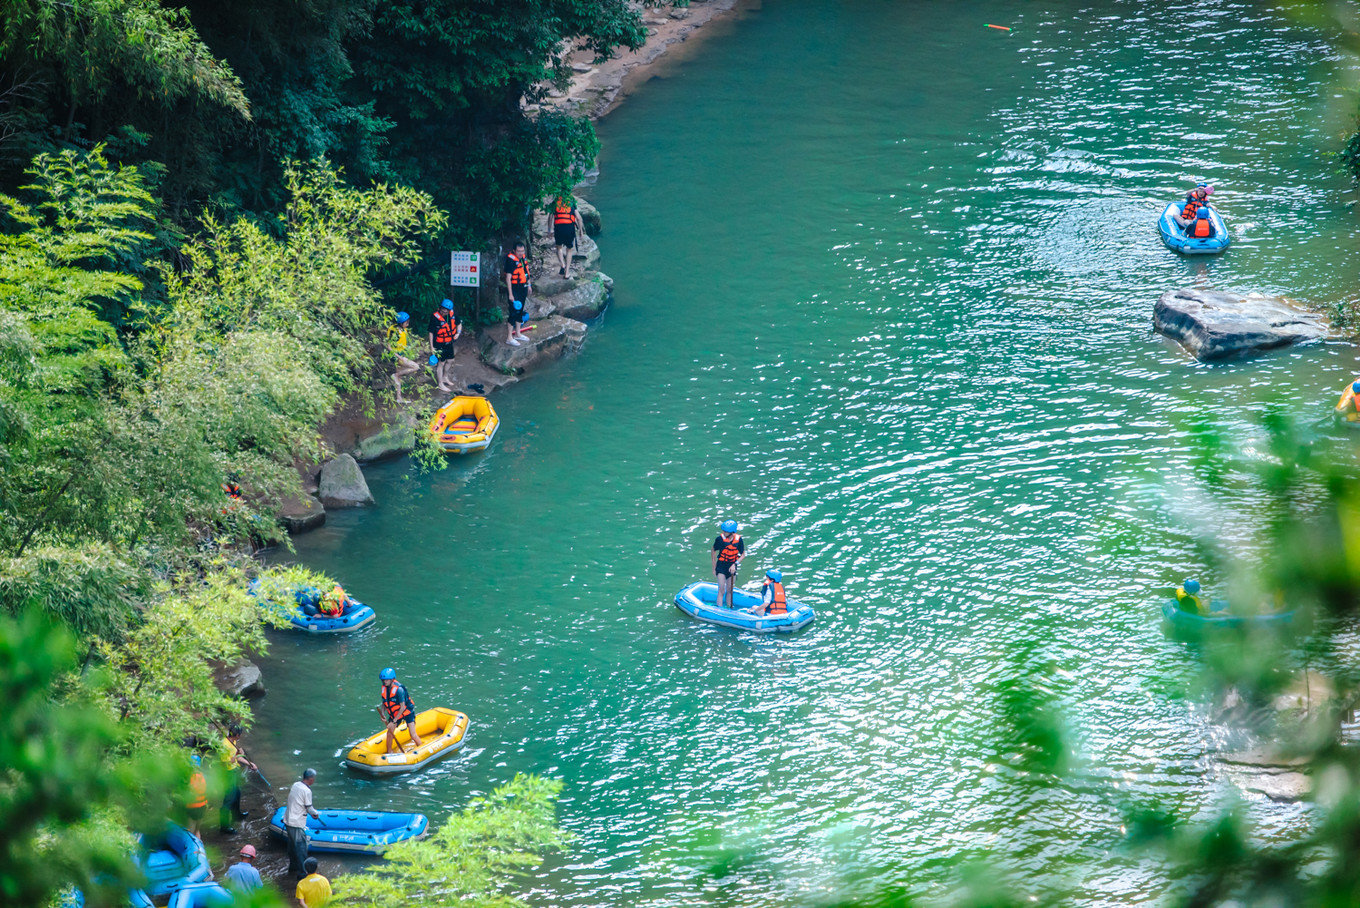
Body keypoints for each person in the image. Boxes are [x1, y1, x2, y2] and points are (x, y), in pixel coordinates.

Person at [219, 724, 256, 835]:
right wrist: (238, 754)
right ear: (238, 735)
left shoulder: (232, 741)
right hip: (228, 773)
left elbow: (237, 758)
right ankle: (224, 826)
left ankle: (236, 815)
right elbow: (226, 762)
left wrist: (249, 764)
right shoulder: (226, 745)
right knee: (229, 799)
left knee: (237, 793)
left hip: (233, 771)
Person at [285, 768, 320, 878]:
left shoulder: (296, 784)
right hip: (296, 823)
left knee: (292, 846)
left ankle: (293, 867)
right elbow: (309, 807)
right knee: (301, 849)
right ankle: (302, 873)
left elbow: (300, 803)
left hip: (288, 820)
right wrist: (315, 814)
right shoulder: (307, 791)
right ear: (311, 779)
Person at [379, 667, 423, 754]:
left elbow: (402, 707)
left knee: (413, 735)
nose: (385, 682)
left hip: (407, 712)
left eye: (387, 680)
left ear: (392, 679)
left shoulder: (399, 690)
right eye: (383, 680)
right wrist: (383, 714)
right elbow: (384, 702)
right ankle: (389, 752)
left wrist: (394, 721)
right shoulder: (384, 688)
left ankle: (421, 749)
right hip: (395, 713)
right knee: (389, 733)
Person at [426, 300, 461, 393]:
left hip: (449, 342)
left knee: (450, 360)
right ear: (440, 307)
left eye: (446, 310)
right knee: (441, 363)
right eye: (443, 309)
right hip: (439, 344)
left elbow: (459, 323)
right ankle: (440, 384)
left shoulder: (452, 315)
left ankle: (445, 377)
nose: (444, 312)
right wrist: (432, 347)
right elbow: (431, 332)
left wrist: (458, 332)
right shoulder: (435, 317)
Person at [711, 520, 745, 610]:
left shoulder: (739, 540)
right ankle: (719, 609)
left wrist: (735, 564)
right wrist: (714, 568)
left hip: (732, 568)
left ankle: (729, 609)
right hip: (721, 567)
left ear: (731, 532)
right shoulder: (719, 539)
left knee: (730, 590)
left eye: (725, 531)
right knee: (721, 589)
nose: (723, 532)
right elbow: (713, 550)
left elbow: (743, 555)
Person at [503, 241, 531, 346]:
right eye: (519, 251)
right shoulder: (510, 261)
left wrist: (529, 285)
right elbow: (508, 278)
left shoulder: (523, 258)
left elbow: (526, 272)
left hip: (523, 288)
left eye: (522, 251)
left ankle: (518, 334)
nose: (521, 253)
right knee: (513, 312)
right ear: (514, 251)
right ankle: (509, 338)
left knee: (520, 311)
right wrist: (510, 294)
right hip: (514, 289)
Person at [388, 311, 420, 402]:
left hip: (402, 354)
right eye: (406, 322)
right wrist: (399, 357)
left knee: (399, 378)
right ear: (401, 323)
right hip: (397, 356)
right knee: (416, 367)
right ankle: (395, 375)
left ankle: (399, 398)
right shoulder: (395, 332)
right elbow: (389, 347)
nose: (408, 323)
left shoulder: (402, 329)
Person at [551, 195, 585, 278]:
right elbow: (579, 218)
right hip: (569, 227)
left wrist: (549, 230)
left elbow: (550, 216)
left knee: (559, 247)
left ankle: (562, 265)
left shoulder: (556, 200)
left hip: (559, 227)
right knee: (569, 250)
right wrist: (581, 230)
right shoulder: (572, 201)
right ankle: (567, 273)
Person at [185, 754, 208, 838]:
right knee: (197, 830)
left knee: (190, 830)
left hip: (192, 807)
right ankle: (199, 847)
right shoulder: (203, 775)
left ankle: (193, 849)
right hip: (202, 806)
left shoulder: (188, 777)